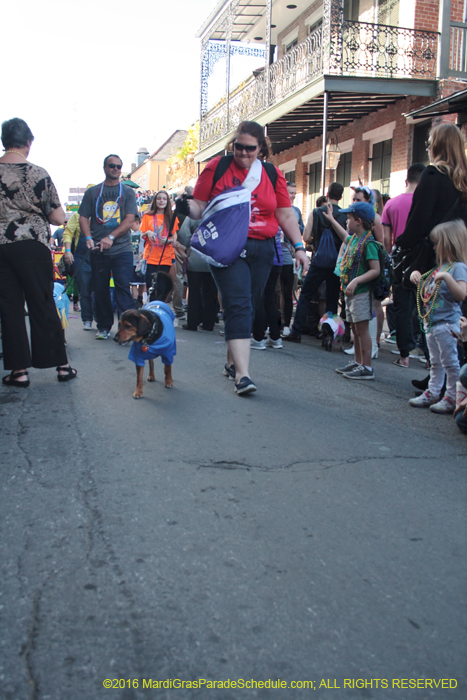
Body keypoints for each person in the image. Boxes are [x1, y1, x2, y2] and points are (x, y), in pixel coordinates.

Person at [186, 120, 309, 395]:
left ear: (261, 148)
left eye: (250, 149)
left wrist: (299, 246)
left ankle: (231, 361)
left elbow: (285, 214)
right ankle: (243, 375)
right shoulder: (216, 167)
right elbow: (199, 208)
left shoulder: (271, 173)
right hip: (227, 246)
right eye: (239, 147)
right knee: (239, 303)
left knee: (249, 306)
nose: (243, 153)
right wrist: (187, 205)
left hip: (263, 247)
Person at [0, 117, 77, 387]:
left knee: (9, 308)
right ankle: (62, 367)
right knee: (42, 302)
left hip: (0, 247)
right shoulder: (37, 174)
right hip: (32, 245)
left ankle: (19, 372)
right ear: (28, 143)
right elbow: (57, 217)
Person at [396, 125, 467, 389]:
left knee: (430, 315)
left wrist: (403, 244)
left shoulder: (433, 174)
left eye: (429, 141)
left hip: (435, 253)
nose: (426, 145)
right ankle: (448, 378)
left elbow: (419, 218)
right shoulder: (463, 180)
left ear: (437, 145)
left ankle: (440, 378)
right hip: (460, 254)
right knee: (453, 317)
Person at [408, 220, 467, 413]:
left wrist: (447, 278)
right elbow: (429, 293)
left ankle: (451, 396)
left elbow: (461, 295)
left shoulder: (457, 268)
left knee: (450, 362)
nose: (434, 247)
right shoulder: (440, 268)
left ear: (448, 243)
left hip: (448, 324)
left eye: (437, 243)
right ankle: (433, 391)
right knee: (435, 362)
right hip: (433, 323)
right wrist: (418, 277)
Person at [79, 155, 138, 340]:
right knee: (100, 289)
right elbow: (82, 217)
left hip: (122, 248)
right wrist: (88, 237)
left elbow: (130, 219)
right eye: (112, 166)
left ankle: (130, 329)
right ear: (104, 167)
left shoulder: (128, 192)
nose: (116, 169)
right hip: (99, 249)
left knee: (122, 287)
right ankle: (104, 327)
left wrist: (111, 236)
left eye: (119, 166)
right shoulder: (93, 192)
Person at [284, 182, 347, 343]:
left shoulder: (316, 212)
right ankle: (329, 332)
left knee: (305, 294)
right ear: (340, 196)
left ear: (327, 193)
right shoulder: (345, 215)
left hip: (319, 260)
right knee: (332, 299)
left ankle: (296, 330)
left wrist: (315, 239)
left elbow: (305, 237)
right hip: (336, 262)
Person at [326, 201, 381, 380]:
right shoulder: (356, 239)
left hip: (361, 292)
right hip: (352, 293)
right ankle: (358, 363)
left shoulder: (369, 243)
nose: (346, 222)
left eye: (348, 219)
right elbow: (344, 237)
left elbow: (375, 269)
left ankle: (366, 367)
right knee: (356, 330)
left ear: (358, 221)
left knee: (362, 330)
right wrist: (331, 220)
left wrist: (356, 281)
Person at [381, 163, 426, 367]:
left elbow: (387, 241)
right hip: (424, 260)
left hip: (400, 261)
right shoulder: (427, 202)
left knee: (402, 308)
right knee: (427, 305)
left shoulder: (391, 205)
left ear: (406, 180)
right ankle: (428, 357)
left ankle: (404, 355)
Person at [177, 216, 219, 331]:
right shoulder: (218, 212)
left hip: (196, 256)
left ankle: (192, 322)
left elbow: (184, 235)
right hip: (213, 256)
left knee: (194, 292)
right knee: (211, 292)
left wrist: (191, 244)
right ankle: (209, 323)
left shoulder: (193, 216)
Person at [140, 190, 179, 299]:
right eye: (159, 198)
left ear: (167, 201)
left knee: (162, 287)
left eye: (164, 199)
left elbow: (175, 237)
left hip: (165, 257)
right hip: (150, 256)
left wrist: (168, 240)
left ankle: (158, 310)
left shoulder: (171, 217)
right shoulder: (147, 216)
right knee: (151, 286)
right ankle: (151, 309)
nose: (161, 201)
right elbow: (141, 234)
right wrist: (148, 233)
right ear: (155, 200)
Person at [63, 209, 94, 329]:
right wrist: (68, 251)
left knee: (99, 290)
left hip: (99, 256)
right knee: (84, 289)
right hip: (81, 257)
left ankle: (102, 323)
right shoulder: (76, 216)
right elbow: (68, 233)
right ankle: (87, 319)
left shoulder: (103, 216)